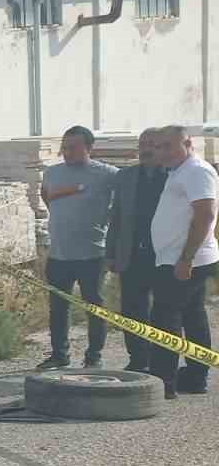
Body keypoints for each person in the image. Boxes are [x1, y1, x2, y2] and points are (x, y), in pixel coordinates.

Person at [36, 125, 119, 369]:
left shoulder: (107, 174)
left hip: (92, 254)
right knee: (58, 307)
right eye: (65, 147)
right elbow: (46, 196)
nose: (67, 152)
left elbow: (125, 201)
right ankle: (59, 355)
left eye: (73, 147)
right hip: (59, 254)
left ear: (89, 148)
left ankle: (94, 357)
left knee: (95, 307)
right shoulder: (52, 173)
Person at [148, 125, 219, 398]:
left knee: (165, 318)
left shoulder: (196, 171)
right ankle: (195, 376)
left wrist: (186, 259)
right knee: (192, 315)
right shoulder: (180, 171)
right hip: (180, 258)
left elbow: (206, 215)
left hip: (184, 260)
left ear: (187, 143)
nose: (161, 152)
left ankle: (163, 382)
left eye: (167, 146)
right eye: (158, 146)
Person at [105, 128, 166, 372]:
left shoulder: (173, 176)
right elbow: (116, 217)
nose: (146, 149)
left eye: (151, 144)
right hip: (132, 254)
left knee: (164, 312)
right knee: (131, 310)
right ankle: (138, 359)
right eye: (142, 144)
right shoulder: (126, 176)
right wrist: (110, 253)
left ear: (161, 147)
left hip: (164, 255)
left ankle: (162, 362)